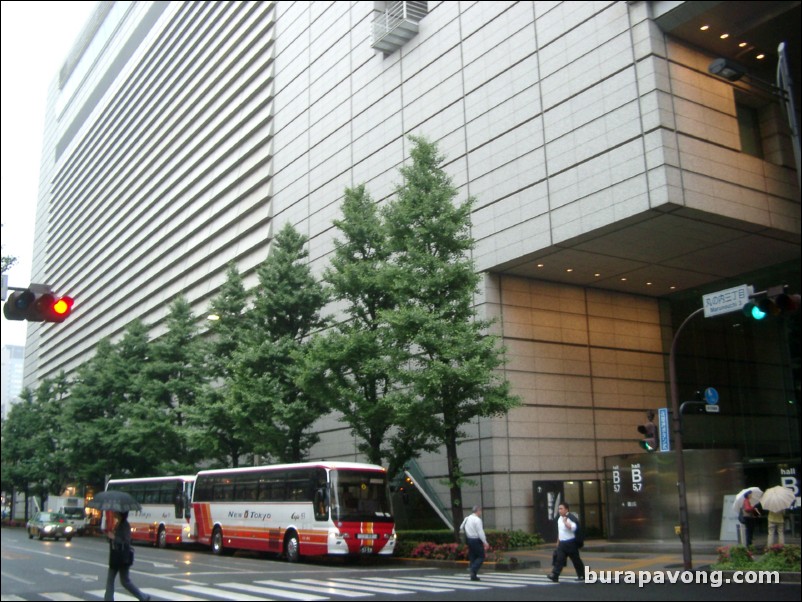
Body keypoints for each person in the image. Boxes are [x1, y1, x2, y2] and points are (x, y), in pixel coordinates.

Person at [104, 511, 150, 601]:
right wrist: (109, 536)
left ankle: (143, 597)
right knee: (120, 581)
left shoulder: (125, 525)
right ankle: (143, 597)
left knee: (122, 581)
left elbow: (126, 541)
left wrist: (114, 538)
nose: (113, 513)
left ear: (120, 514)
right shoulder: (118, 524)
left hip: (121, 556)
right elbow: (114, 539)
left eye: (115, 512)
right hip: (116, 555)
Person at [547, 502, 585, 583]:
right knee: (559, 559)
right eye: (559, 509)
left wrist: (565, 522)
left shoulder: (570, 518)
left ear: (566, 509)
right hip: (562, 543)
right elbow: (560, 531)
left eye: (561, 509)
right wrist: (558, 541)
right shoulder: (559, 519)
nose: (559, 510)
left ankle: (582, 574)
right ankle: (555, 575)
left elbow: (573, 528)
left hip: (571, 543)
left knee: (576, 560)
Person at [460, 505, 489, 581]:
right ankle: (473, 569)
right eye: (480, 510)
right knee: (481, 556)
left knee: (472, 557)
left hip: (469, 539)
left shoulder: (467, 518)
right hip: (476, 540)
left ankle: (473, 575)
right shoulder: (477, 520)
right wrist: (485, 542)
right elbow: (480, 532)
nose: (481, 512)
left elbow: (461, 527)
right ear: (478, 511)